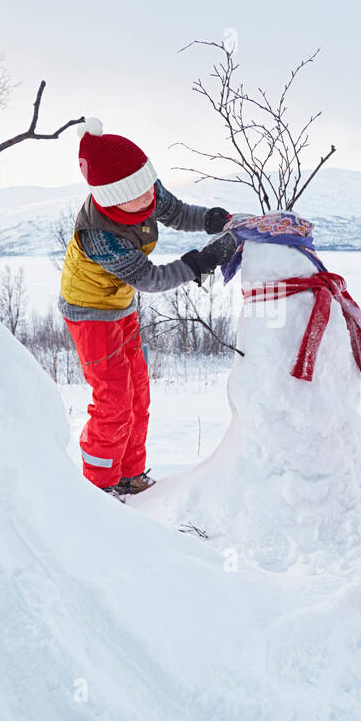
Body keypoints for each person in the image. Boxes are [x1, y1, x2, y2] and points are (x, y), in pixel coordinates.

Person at [59, 118, 237, 497]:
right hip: (90, 314)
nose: (149, 198)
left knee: (138, 389)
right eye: (137, 194)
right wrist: (200, 263)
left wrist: (208, 220)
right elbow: (150, 280)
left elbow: (176, 212)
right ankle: (98, 487)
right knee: (114, 397)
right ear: (110, 196)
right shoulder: (99, 235)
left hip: (119, 305)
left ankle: (129, 475)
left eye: (148, 186)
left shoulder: (144, 189)